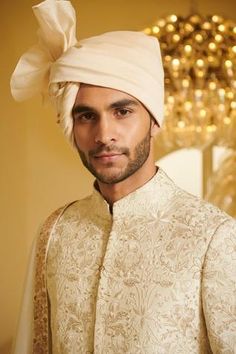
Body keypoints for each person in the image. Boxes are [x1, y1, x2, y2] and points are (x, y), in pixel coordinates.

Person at [11, 0, 236, 353]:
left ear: (155, 120)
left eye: (122, 111)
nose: (104, 135)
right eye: (87, 116)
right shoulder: (55, 232)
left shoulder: (214, 237)